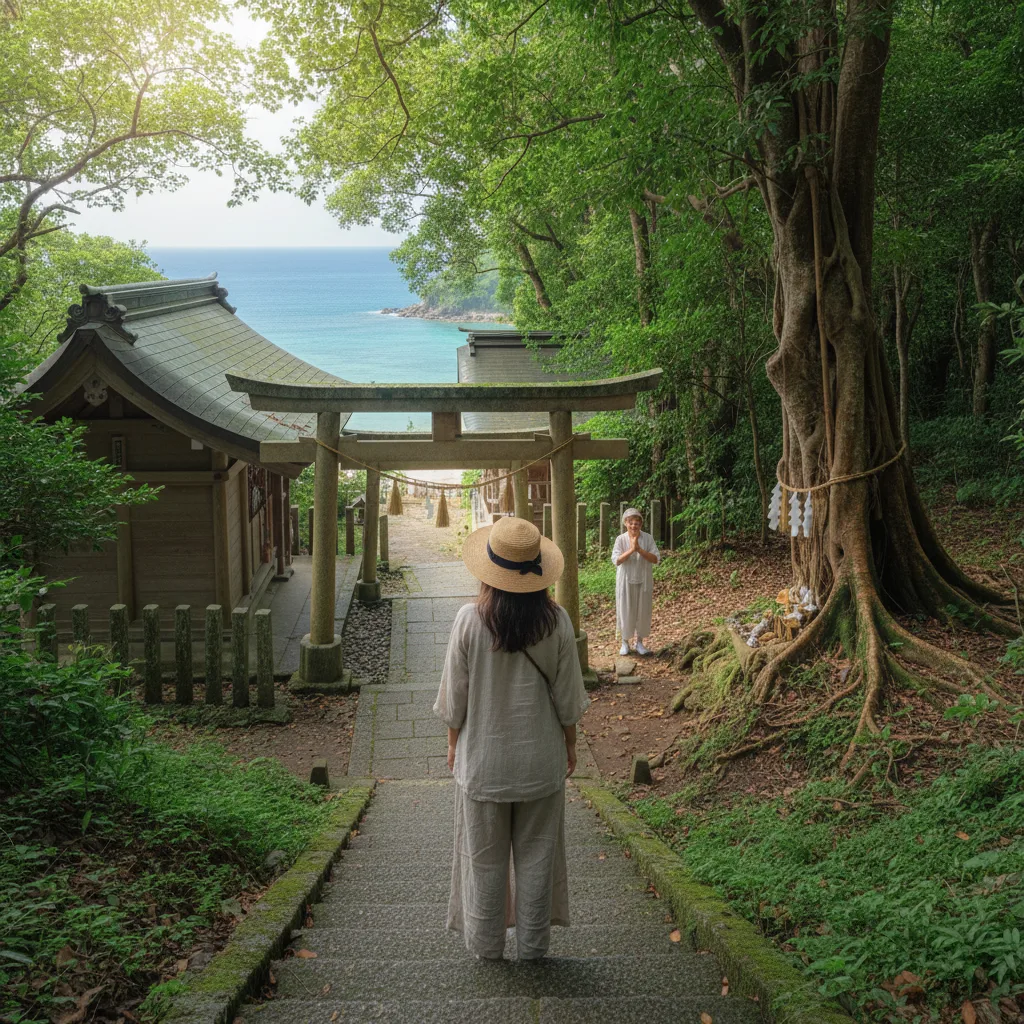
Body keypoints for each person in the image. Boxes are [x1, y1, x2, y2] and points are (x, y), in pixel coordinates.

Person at [434, 514, 590, 961]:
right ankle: (534, 947)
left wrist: (452, 744)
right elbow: (568, 699)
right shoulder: (556, 622)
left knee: (483, 860)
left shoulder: (468, 620)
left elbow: (454, 700)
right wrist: (571, 744)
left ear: (490, 570)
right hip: (540, 762)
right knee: (538, 859)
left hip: (483, 763)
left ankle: (486, 947)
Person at [611, 507, 660, 657]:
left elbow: (656, 558)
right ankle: (625, 642)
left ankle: (639, 642)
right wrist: (631, 550)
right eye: (630, 522)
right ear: (626, 523)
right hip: (625, 580)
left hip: (644, 579)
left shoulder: (648, 538)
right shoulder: (620, 539)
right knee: (625, 609)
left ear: (641, 524)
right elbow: (616, 560)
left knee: (642, 610)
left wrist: (639, 549)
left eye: (636, 523)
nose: (634, 526)